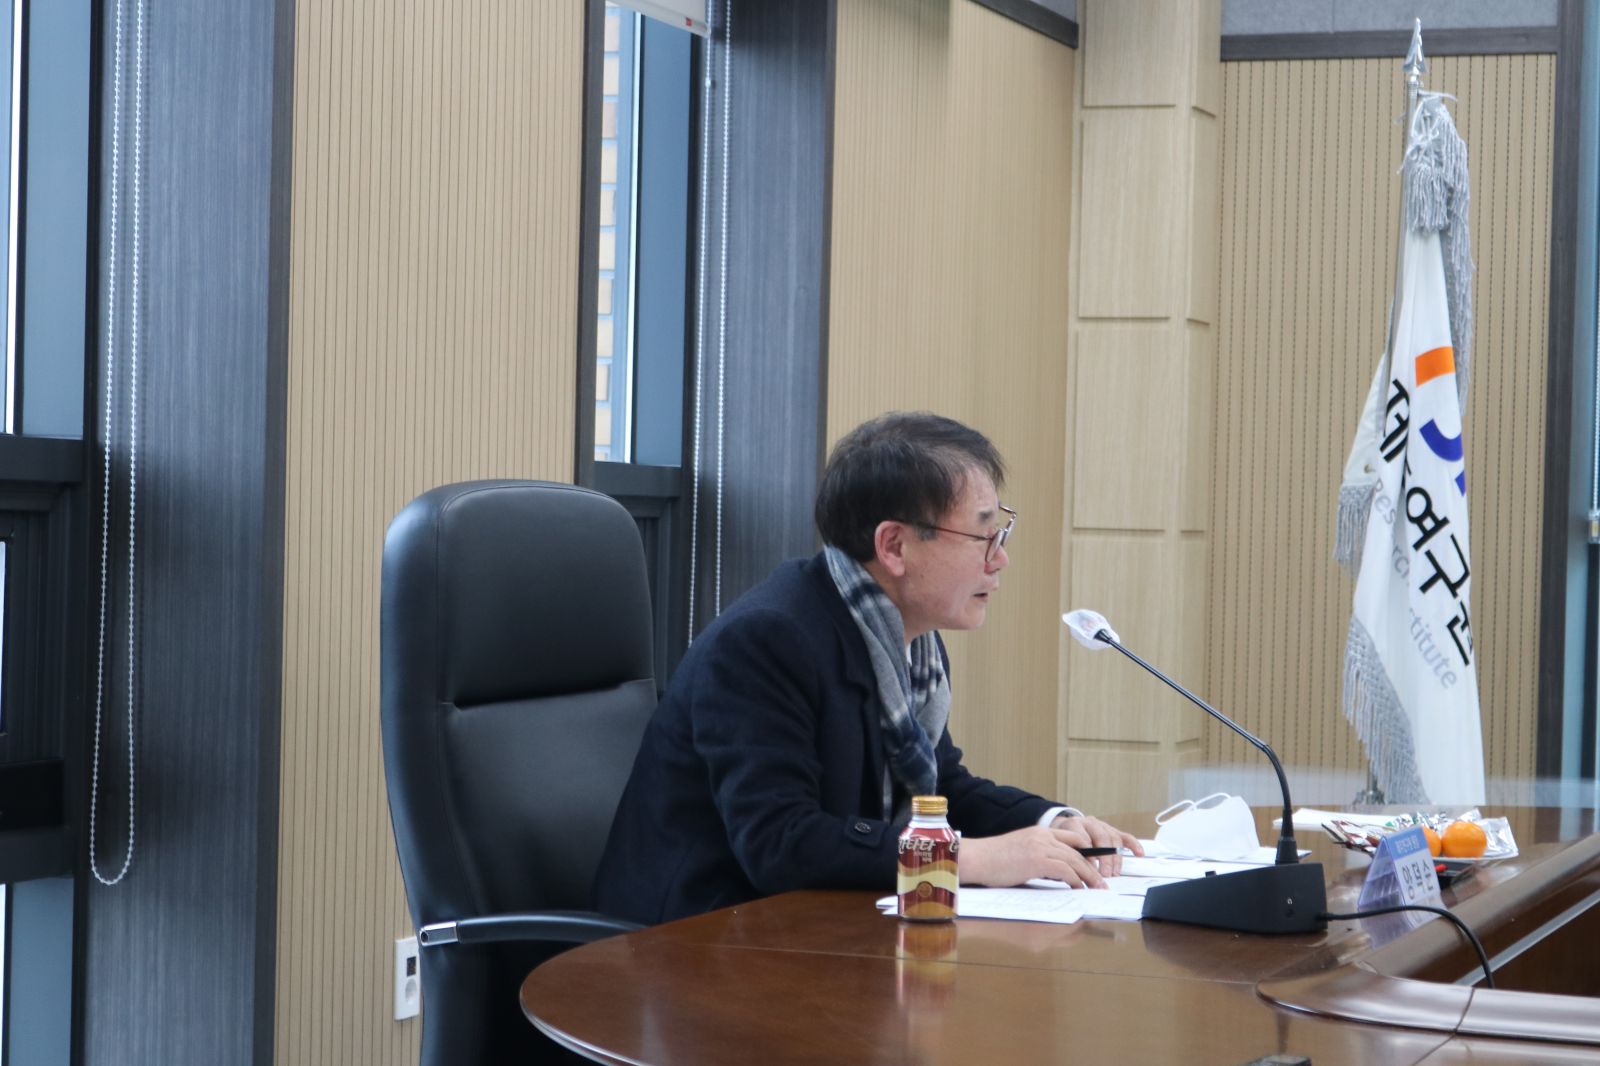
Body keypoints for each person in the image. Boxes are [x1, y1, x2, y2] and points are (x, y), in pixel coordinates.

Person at [594, 411, 1141, 925]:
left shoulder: (907, 642)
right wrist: (967, 858)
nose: (999, 558)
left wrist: (1053, 824)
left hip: (813, 933)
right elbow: (781, 843)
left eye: (1001, 533)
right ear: (894, 546)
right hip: (696, 945)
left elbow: (941, 788)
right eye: (982, 536)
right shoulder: (766, 641)